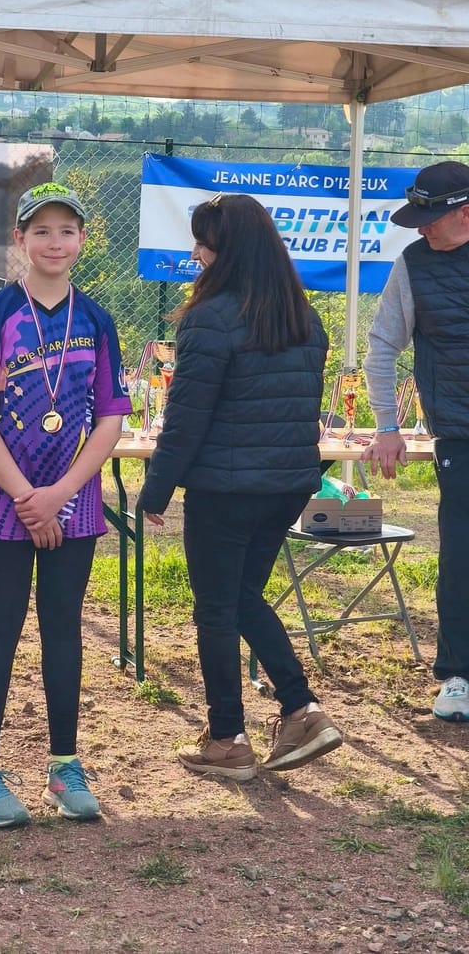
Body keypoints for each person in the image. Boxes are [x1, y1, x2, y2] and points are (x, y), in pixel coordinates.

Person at [0, 182, 132, 827]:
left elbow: (110, 418)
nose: (55, 242)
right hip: (6, 502)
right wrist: (28, 498)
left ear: (83, 239)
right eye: (42, 231)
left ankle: (64, 765)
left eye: (67, 231)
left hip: (73, 500)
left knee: (63, 626)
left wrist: (60, 494)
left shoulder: (97, 320)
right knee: (0, 623)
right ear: (19, 239)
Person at [138, 193, 343, 782]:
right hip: (289, 484)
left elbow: (187, 417)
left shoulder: (210, 317)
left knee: (217, 609)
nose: (195, 254)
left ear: (224, 251)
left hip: (226, 489)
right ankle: (297, 711)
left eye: (202, 244)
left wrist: (156, 488)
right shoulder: (305, 317)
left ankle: (232, 736)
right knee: (241, 598)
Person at [362, 160, 469, 722]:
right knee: (461, 556)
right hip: (459, 436)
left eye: (431, 218)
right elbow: (383, 345)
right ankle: (458, 675)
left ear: (466, 214)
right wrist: (387, 425)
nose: (422, 228)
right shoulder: (413, 263)